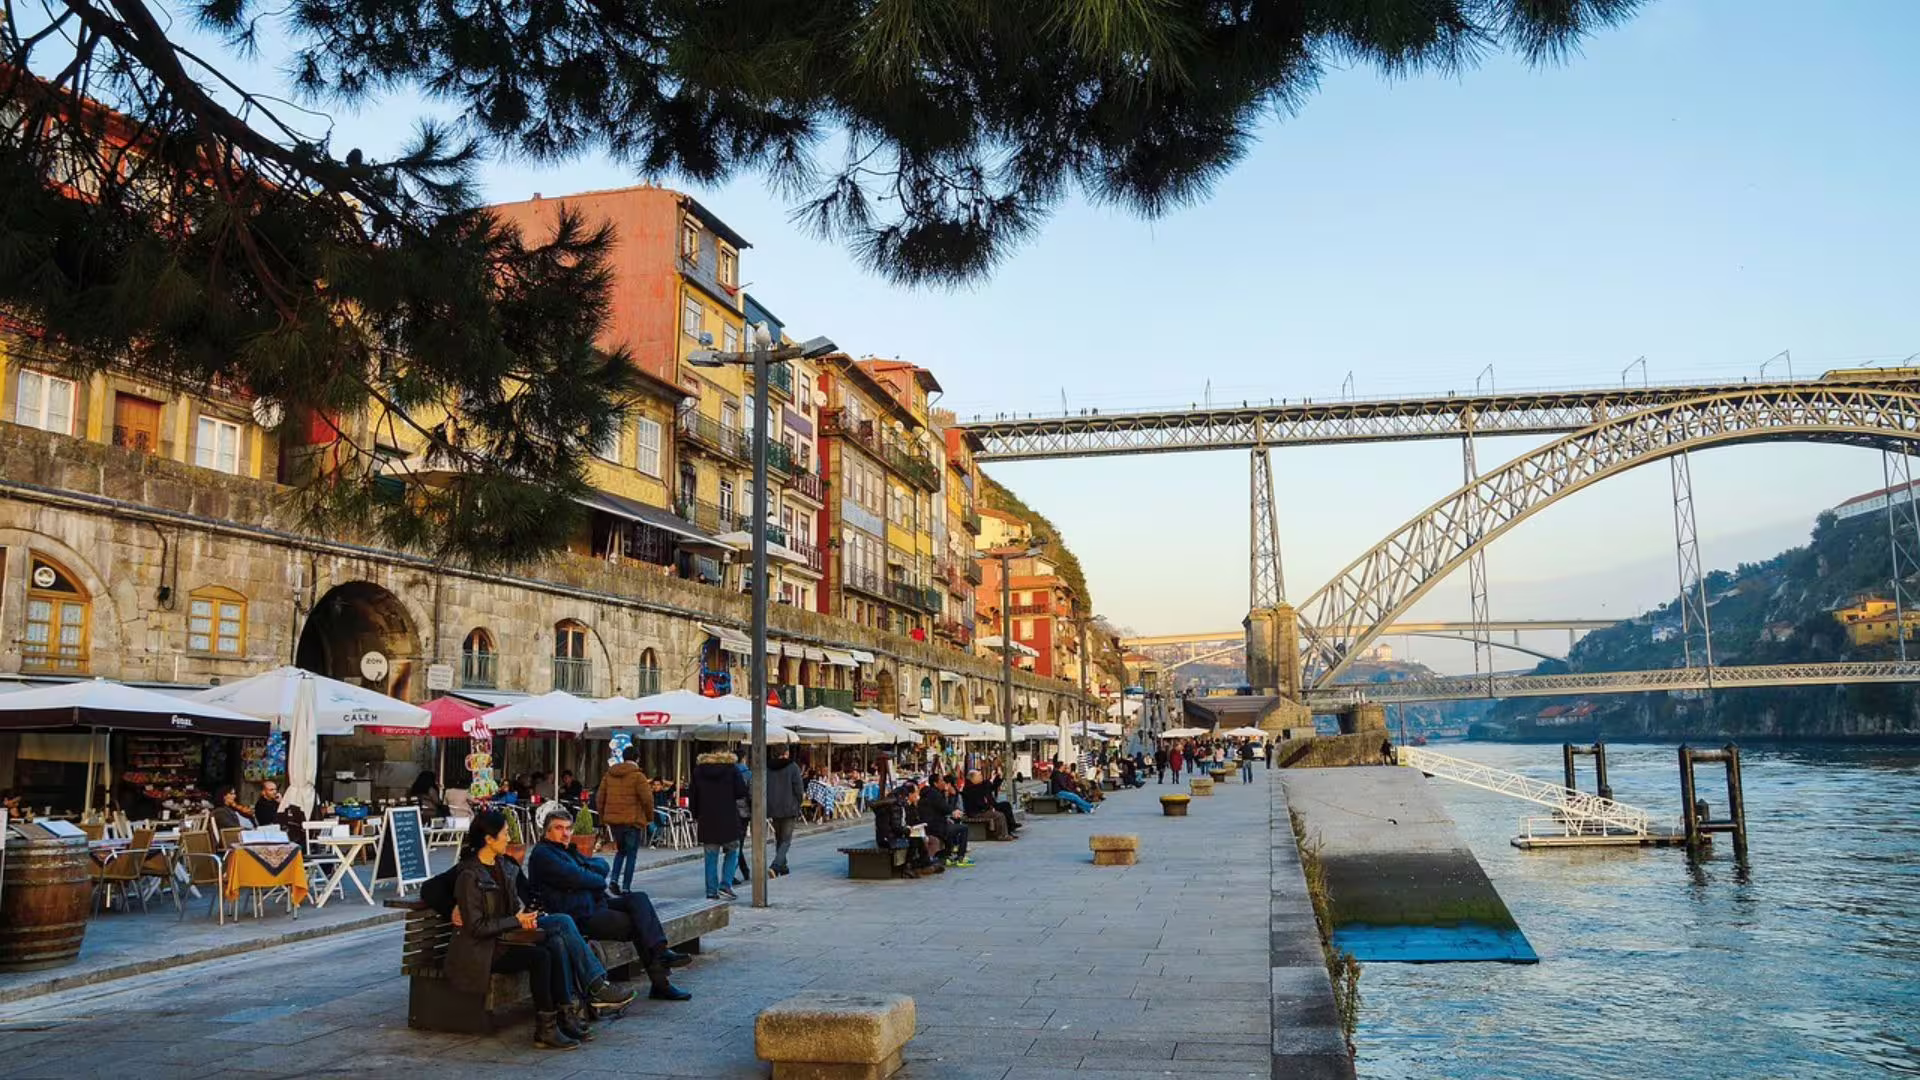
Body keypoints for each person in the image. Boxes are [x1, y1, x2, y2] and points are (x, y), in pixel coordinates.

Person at [446, 810, 581, 1050]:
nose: (509, 839)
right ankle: (546, 1028)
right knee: (540, 957)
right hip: (481, 950)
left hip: (503, 939)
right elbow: (476, 927)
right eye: (505, 834)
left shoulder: (503, 866)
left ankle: (564, 1015)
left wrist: (524, 919)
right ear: (489, 839)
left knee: (555, 942)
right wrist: (515, 922)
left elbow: (511, 911)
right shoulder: (469, 874)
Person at [524, 811, 692, 1002]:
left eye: (568, 828)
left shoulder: (567, 850)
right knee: (639, 923)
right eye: (559, 828)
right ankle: (661, 981)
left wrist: (587, 874)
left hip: (595, 904)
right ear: (547, 831)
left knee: (639, 899)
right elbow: (579, 877)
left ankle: (661, 952)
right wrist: (593, 878)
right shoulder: (543, 854)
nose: (565, 833)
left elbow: (602, 864)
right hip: (578, 915)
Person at [689, 751, 746, 900]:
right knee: (733, 850)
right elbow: (741, 792)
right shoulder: (732, 769)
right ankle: (725, 885)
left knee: (710, 856)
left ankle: (711, 891)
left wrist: (696, 815)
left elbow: (693, 797)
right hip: (728, 819)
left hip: (707, 820)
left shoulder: (698, 771)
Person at [594, 746, 652, 893]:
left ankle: (614, 879)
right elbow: (647, 799)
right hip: (633, 821)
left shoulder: (609, 775)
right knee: (631, 854)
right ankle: (626, 887)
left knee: (620, 851)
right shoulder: (638, 776)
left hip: (615, 821)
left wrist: (602, 817)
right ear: (637, 758)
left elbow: (600, 798)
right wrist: (649, 817)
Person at [765, 751, 805, 877]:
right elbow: (799, 788)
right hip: (789, 807)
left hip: (773, 807)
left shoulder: (768, 767)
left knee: (779, 838)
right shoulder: (792, 767)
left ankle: (783, 866)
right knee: (786, 840)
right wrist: (799, 803)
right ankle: (776, 865)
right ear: (786, 753)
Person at [918, 776, 972, 868]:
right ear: (935, 783)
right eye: (941, 781)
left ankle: (946, 855)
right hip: (935, 827)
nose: (944, 782)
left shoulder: (929, 793)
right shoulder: (934, 794)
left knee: (950, 825)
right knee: (963, 828)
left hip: (932, 825)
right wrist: (953, 811)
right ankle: (960, 857)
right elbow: (945, 808)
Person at [961, 769, 1019, 838]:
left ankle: (1009, 829)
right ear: (973, 778)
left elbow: (992, 786)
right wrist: (989, 808)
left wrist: (998, 777)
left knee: (1005, 805)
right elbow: (978, 803)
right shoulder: (970, 789)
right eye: (979, 775)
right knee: (999, 815)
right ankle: (1002, 835)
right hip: (977, 812)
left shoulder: (981, 784)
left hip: (986, 807)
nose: (981, 777)